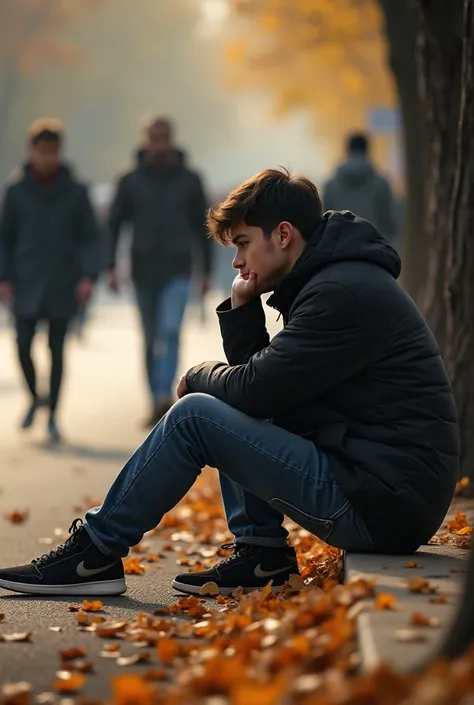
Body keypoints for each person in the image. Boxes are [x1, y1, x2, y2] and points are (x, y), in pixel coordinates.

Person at [0, 167, 459, 597]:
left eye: (242, 244)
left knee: (195, 416)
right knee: (225, 405)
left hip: (381, 506)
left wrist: (197, 376)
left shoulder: (341, 294)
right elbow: (266, 390)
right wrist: (242, 308)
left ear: (283, 235)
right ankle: (262, 555)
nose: (237, 261)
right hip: (382, 492)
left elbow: (254, 388)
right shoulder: (335, 281)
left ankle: (94, 556)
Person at [107, 116, 212, 428]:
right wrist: (110, 267)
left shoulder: (190, 180)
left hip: (179, 269)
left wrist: (206, 272)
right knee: (150, 337)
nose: (159, 145)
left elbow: (203, 226)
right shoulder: (130, 180)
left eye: (164, 138)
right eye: (154, 138)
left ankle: (163, 395)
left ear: (172, 140)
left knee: (170, 331)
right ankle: (155, 396)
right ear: (145, 141)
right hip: (142, 270)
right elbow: (115, 224)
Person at [0, 119, 100, 441]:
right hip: (25, 280)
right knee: (22, 346)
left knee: (57, 351)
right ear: (31, 152)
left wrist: (87, 275)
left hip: (62, 281)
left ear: (59, 152)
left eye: (52, 152)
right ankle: (34, 396)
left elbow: (90, 237)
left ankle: (54, 415)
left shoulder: (75, 191)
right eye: (42, 152)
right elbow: (4, 238)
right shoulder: (15, 192)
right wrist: (3, 278)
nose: (47, 159)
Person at [323, 132, 399, 243]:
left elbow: (324, 223)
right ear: (367, 151)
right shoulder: (382, 185)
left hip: (339, 250)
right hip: (375, 251)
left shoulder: (330, 186)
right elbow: (390, 224)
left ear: (347, 151)